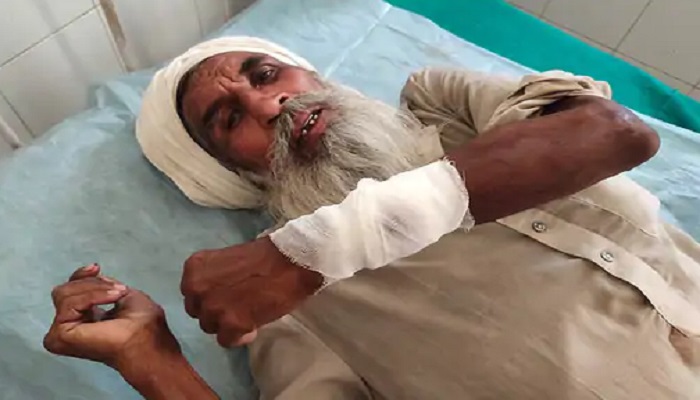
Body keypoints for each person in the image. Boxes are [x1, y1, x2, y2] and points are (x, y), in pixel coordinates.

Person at [44, 37, 700, 399]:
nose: (271, 106)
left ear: (311, 74)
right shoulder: (288, 309)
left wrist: (313, 251)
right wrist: (149, 360)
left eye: (266, 74)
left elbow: (615, 133)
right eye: (231, 119)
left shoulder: (441, 104)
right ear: (234, 172)